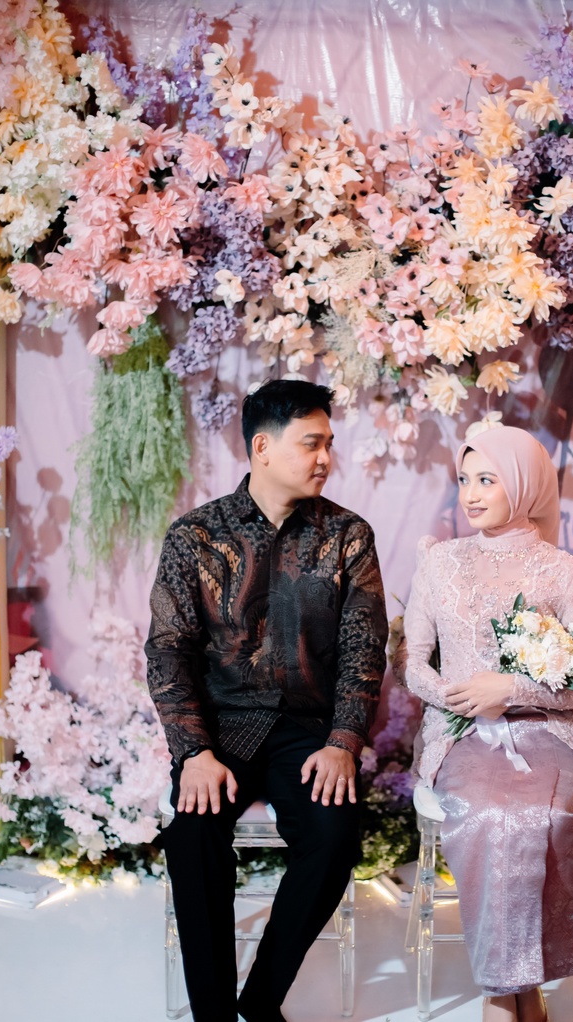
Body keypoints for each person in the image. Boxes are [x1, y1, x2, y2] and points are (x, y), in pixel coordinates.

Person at [145, 379, 389, 1022]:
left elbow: (365, 649)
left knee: (333, 836)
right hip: (220, 730)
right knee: (193, 837)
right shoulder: (195, 537)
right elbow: (168, 651)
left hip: (308, 731)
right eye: (311, 443)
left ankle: (260, 1003)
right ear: (262, 447)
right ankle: (213, 1016)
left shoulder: (348, 536)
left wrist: (343, 742)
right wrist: (193, 752)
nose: (325, 458)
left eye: (329, 443)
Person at [399, 423, 573, 1022]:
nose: (470, 494)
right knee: (488, 814)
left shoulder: (567, 572)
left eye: (487, 480)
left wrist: (512, 688)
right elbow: (413, 662)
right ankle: (512, 993)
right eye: (464, 480)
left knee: (534, 816)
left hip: (548, 735)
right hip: (460, 736)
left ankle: (508, 990)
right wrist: (461, 698)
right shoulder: (440, 562)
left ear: (523, 486)